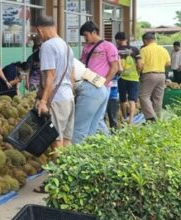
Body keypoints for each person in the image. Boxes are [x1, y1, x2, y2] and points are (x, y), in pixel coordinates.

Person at [33, 15, 74, 193]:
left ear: (40, 29)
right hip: (68, 97)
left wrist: (43, 101)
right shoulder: (66, 45)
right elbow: (71, 75)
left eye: (37, 33)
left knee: (55, 141)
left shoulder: (48, 46)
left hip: (56, 99)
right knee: (66, 140)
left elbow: (50, 76)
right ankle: (68, 179)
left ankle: (55, 184)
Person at [75, 21, 119, 142]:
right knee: (95, 118)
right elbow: (82, 64)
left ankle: (108, 142)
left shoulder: (108, 46)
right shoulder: (86, 48)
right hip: (88, 85)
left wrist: (104, 84)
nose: (85, 38)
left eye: (86, 35)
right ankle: (98, 143)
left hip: (102, 87)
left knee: (98, 117)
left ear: (94, 32)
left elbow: (115, 67)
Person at [71, 58, 109, 144]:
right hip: (100, 88)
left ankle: (76, 156)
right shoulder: (67, 54)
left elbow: (71, 80)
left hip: (89, 90)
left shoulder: (58, 57)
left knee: (78, 130)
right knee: (93, 129)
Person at [138, 32, 171, 121]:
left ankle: (151, 117)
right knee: (158, 98)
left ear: (145, 40)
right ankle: (158, 118)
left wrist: (139, 73)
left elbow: (140, 65)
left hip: (149, 75)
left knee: (143, 96)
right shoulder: (163, 49)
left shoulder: (144, 50)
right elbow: (168, 63)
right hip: (161, 75)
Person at [115, 31, 141, 124]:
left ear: (117, 40)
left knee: (122, 99)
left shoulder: (115, 50)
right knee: (132, 99)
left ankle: (124, 118)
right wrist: (138, 73)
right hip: (134, 78)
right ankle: (130, 121)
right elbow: (139, 64)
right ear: (126, 39)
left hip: (121, 78)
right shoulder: (135, 50)